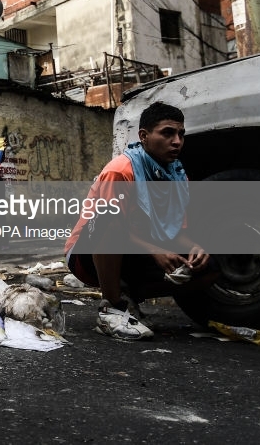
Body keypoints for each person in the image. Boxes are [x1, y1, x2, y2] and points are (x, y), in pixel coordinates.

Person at [63, 102, 217, 340]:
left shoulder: (177, 174)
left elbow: (177, 230)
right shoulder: (121, 170)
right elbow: (110, 222)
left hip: (139, 251)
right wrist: (155, 249)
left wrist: (194, 247)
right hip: (88, 255)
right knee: (109, 215)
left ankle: (128, 296)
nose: (177, 141)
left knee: (209, 268)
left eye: (181, 134)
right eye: (167, 133)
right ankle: (111, 308)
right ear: (143, 136)